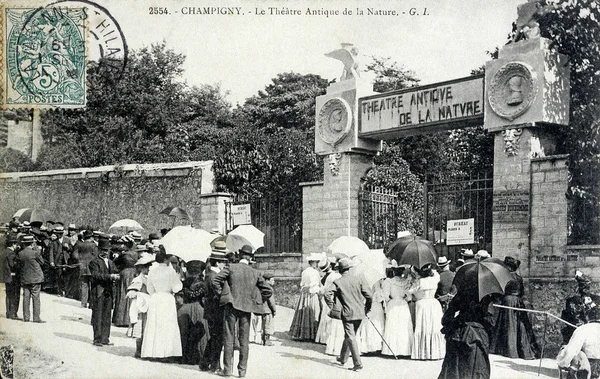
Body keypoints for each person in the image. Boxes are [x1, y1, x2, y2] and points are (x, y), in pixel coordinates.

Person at [212, 244, 272, 378]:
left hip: (231, 306)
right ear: (250, 258)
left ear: (239, 255)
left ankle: (227, 370)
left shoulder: (231, 268)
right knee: (244, 340)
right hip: (246, 309)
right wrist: (257, 300)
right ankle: (242, 371)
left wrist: (222, 294)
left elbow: (216, 280)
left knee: (228, 337)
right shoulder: (255, 272)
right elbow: (268, 290)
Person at [325, 257, 372, 371]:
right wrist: (367, 308)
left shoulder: (338, 282)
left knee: (350, 337)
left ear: (340, 270)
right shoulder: (359, 279)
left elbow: (326, 294)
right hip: (360, 312)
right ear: (349, 269)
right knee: (350, 335)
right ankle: (342, 358)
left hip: (347, 313)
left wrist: (333, 306)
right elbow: (369, 295)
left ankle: (358, 364)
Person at [490, 256, 540, 359]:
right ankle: (519, 350)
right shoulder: (519, 278)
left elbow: (500, 292)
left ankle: (509, 350)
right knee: (518, 325)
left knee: (509, 325)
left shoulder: (505, 277)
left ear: (508, 267)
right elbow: (522, 292)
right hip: (517, 301)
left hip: (507, 302)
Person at [438, 291, 496, 379]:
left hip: (457, 333)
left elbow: (446, 319)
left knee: (454, 369)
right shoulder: (485, 298)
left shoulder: (460, 294)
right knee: (475, 369)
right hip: (477, 336)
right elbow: (491, 322)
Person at [141, 245, 183, 359]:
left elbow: (150, 289)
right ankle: (167, 353)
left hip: (156, 297)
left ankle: (152, 352)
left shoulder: (152, 272)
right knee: (167, 324)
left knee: (155, 324)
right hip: (167, 298)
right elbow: (176, 288)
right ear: (166, 259)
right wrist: (179, 280)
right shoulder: (171, 272)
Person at [203, 241, 229, 373]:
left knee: (214, 337)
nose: (225, 264)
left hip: (211, 310)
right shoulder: (214, 276)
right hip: (216, 310)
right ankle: (214, 365)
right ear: (218, 263)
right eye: (224, 262)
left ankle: (205, 362)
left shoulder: (209, 274)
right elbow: (217, 294)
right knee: (218, 338)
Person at [381, 264, 417, 357]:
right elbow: (409, 297)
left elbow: (385, 296)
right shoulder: (406, 282)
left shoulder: (388, 282)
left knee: (393, 326)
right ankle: (404, 350)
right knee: (403, 326)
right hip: (403, 304)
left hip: (393, 304)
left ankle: (392, 350)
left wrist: (390, 300)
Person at [177, 260, 209, 366]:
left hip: (184, 309)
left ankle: (185, 356)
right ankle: (200, 356)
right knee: (201, 333)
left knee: (184, 333)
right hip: (199, 308)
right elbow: (204, 298)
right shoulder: (203, 283)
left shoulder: (183, 283)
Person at [89, 239, 120, 346]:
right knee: (98, 315)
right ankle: (97, 339)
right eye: (103, 250)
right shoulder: (94, 262)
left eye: (107, 250)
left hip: (109, 291)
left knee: (107, 315)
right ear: (98, 250)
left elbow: (116, 271)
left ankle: (105, 338)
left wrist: (117, 276)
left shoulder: (111, 262)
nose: (105, 252)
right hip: (98, 290)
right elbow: (96, 275)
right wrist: (110, 276)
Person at [412, 263, 445, 360]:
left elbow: (410, 291)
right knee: (434, 327)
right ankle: (435, 352)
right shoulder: (434, 279)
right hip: (433, 303)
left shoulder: (420, 282)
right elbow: (437, 275)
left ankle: (424, 352)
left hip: (423, 304)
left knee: (424, 327)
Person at [557, 306, 600, 379]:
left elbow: (571, 350)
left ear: (587, 317)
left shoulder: (583, 329)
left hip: (587, 366)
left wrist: (562, 363)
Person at [289, 252, 324, 340]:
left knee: (303, 312)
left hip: (304, 294)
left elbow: (303, 284)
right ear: (313, 262)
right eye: (316, 262)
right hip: (312, 294)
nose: (317, 264)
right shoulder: (315, 272)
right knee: (313, 311)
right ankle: (311, 334)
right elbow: (316, 284)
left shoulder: (305, 271)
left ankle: (301, 333)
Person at [127, 253, 154, 358]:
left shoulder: (148, 278)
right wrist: (135, 293)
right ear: (142, 268)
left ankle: (144, 349)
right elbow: (131, 290)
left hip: (148, 305)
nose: (149, 269)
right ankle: (138, 350)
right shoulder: (139, 279)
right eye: (147, 267)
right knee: (140, 328)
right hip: (141, 306)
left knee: (147, 328)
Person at [112, 243, 140, 327]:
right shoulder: (136, 254)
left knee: (122, 293)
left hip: (125, 273)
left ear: (127, 246)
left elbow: (116, 263)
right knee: (132, 294)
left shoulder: (124, 255)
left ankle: (120, 319)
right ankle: (129, 319)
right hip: (134, 273)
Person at [19, 235, 45, 323]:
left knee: (26, 298)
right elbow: (42, 262)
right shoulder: (35, 253)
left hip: (25, 278)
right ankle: (36, 317)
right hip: (36, 278)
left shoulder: (20, 253)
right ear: (32, 243)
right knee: (36, 298)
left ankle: (26, 317)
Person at [72, 230, 98, 308]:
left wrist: (80, 259)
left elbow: (74, 255)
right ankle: (92, 303)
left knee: (84, 285)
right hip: (92, 267)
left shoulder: (80, 245)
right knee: (92, 285)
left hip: (82, 267)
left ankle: (83, 303)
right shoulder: (93, 246)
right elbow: (96, 256)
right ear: (91, 237)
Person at [250, 272, 277, 346]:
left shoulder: (259, 287)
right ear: (267, 280)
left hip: (260, 309)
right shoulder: (269, 289)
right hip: (268, 310)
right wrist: (274, 310)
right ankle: (266, 340)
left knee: (260, 324)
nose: (273, 282)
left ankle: (260, 339)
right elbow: (271, 301)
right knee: (267, 325)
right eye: (272, 280)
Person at [48, 225, 73, 297]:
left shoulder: (67, 240)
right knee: (58, 276)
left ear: (62, 233)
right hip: (57, 261)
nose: (58, 235)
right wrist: (51, 261)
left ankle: (65, 290)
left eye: (59, 233)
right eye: (57, 233)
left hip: (66, 261)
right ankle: (59, 291)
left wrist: (68, 247)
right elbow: (51, 252)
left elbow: (72, 249)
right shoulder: (54, 242)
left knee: (65, 276)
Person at [2, 238, 21, 319]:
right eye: (16, 244)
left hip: (6, 276)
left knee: (8, 295)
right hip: (13, 277)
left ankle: (8, 313)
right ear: (13, 244)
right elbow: (13, 265)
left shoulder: (3, 252)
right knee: (14, 295)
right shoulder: (11, 253)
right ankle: (13, 314)